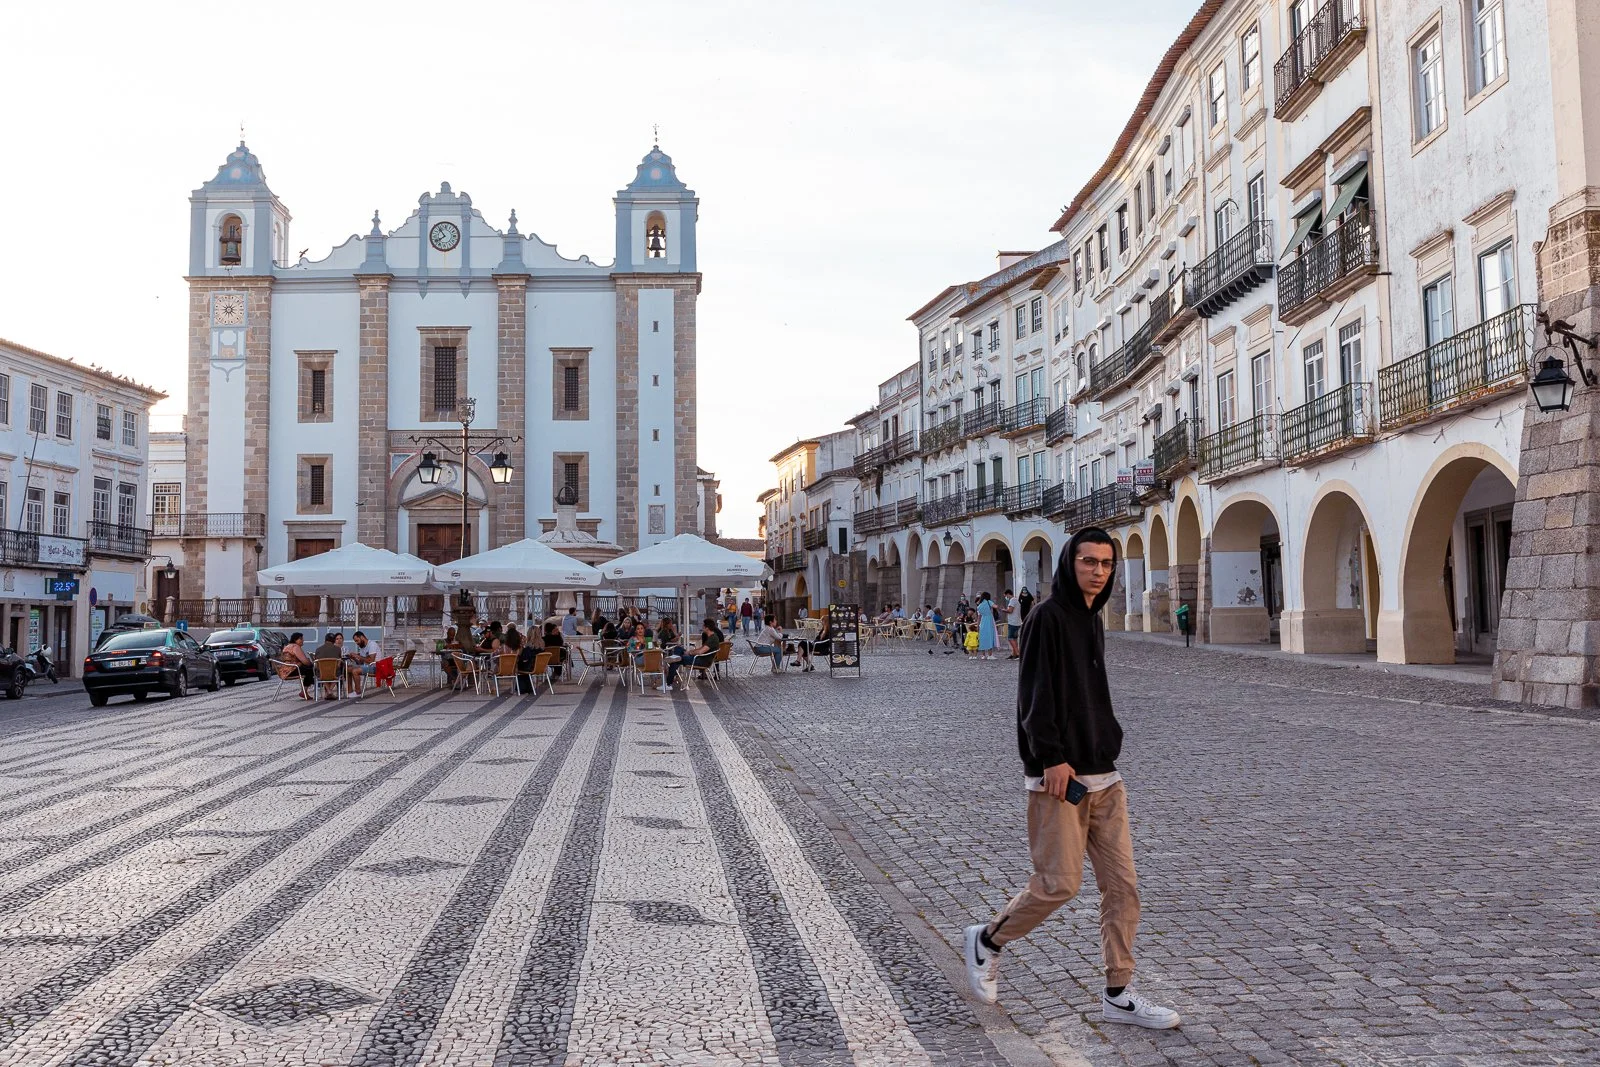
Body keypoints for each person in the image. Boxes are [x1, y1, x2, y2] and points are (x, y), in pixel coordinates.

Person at [963, 527, 1179, 1030]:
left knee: (1123, 889)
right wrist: (1050, 758)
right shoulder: (1047, 617)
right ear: (1070, 562)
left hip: (1106, 779)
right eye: (1089, 562)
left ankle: (1118, 993)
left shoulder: (1090, 617)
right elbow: (1033, 695)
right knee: (1058, 884)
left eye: (1106, 563)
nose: (1098, 571)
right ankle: (987, 939)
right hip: (1060, 778)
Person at [661, 618, 721, 691]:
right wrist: (690, 651)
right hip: (699, 658)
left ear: (707, 628)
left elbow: (700, 652)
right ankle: (676, 658)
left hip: (701, 661)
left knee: (675, 660)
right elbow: (701, 648)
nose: (702, 627)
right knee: (678, 649)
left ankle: (668, 684)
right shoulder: (711, 637)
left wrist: (690, 653)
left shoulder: (713, 639)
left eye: (703, 626)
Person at [346, 630, 382, 696]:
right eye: (355, 641)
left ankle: (358, 692)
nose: (356, 643)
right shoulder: (362, 647)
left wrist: (358, 656)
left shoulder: (372, 644)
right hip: (367, 666)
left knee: (355, 671)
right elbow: (360, 663)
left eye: (357, 640)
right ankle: (350, 692)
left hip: (375, 667)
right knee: (348, 669)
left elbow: (371, 660)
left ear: (362, 637)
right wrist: (354, 658)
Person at [279, 632, 315, 697]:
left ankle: (309, 686)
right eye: (301, 639)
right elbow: (305, 661)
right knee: (311, 670)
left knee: (309, 669)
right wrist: (312, 664)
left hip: (284, 671)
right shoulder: (295, 647)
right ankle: (305, 690)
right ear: (295, 640)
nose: (303, 640)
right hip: (292, 670)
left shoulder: (287, 646)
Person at [975, 592, 999, 661]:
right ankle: (990, 655)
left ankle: (983, 655)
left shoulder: (979, 605)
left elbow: (979, 618)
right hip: (989, 621)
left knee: (982, 638)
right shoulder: (989, 602)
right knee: (990, 637)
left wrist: (977, 626)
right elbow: (996, 606)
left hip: (982, 622)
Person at [1004, 589, 1022, 659]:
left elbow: (1010, 610)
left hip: (1013, 622)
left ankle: (1017, 653)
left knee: (1010, 638)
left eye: (1006, 596)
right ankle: (1013, 654)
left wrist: (1004, 610)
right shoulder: (1016, 600)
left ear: (1008, 594)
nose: (1006, 598)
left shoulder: (1012, 600)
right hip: (1017, 621)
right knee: (1014, 639)